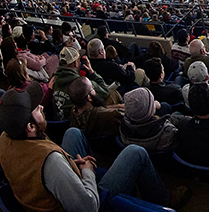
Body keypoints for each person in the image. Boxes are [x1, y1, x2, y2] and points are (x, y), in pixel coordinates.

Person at [0, 83, 189, 211]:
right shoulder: (50, 161)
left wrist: (70, 164)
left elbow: (45, 173)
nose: (42, 107)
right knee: (136, 152)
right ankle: (163, 199)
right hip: (93, 203)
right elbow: (88, 207)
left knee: (72, 133)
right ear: (30, 127)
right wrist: (87, 172)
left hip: (55, 187)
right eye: (36, 109)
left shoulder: (5, 138)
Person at [53, 47, 115, 119]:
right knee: (112, 94)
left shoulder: (54, 80)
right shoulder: (81, 83)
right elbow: (105, 92)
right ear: (75, 63)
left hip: (60, 120)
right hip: (79, 120)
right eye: (79, 60)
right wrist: (92, 72)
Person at [120, 87, 181, 153]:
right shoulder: (168, 133)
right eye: (152, 102)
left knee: (164, 106)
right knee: (174, 112)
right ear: (149, 112)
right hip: (161, 151)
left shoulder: (123, 126)